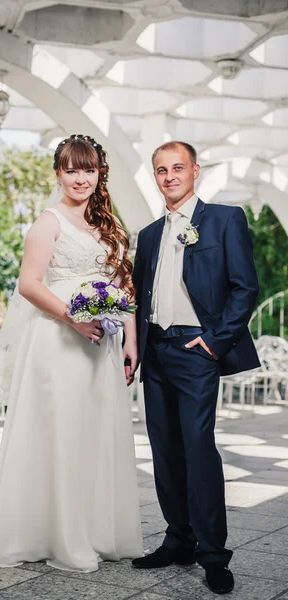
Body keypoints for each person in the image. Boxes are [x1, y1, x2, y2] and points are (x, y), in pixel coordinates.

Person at [0, 134, 143, 573]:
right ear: (58, 174)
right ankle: (57, 535)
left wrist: (130, 339)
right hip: (59, 340)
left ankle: (96, 531)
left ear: (99, 173)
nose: (80, 178)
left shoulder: (109, 226)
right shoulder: (48, 223)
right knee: (61, 431)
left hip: (100, 345)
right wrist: (73, 318)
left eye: (88, 169)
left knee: (94, 431)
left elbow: (123, 286)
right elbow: (29, 284)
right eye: (71, 169)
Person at [131, 141, 260, 594]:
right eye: (161, 170)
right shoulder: (147, 236)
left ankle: (213, 555)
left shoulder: (224, 220)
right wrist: (136, 348)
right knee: (164, 450)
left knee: (198, 448)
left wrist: (214, 343)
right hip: (156, 352)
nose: (169, 176)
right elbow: (139, 299)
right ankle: (178, 540)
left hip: (195, 350)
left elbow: (245, 287)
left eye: (177, 167)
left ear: (195, 171)